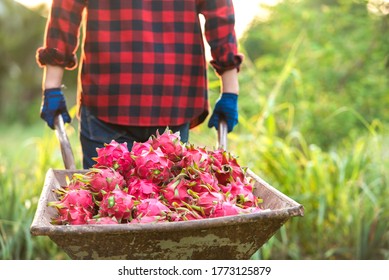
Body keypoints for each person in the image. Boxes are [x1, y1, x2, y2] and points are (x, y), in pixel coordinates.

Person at [37, 0, 243, 169]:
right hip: (173, 98)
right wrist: (230, 91)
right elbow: (219, 14)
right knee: (169, 213)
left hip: (109, 96)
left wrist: (52, 87)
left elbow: (65, 12)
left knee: (103, 211)